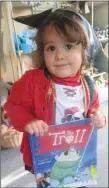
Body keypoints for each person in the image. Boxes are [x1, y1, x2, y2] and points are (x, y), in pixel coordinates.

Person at [4, 8, 106, 187]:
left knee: (76, 183)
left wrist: (98, 116)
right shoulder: (32, 81)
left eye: (68, 46)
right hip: (47, 158)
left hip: (77, 155)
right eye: (51, 48)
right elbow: (13, 105)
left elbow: (93, 108)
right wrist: (28, 121)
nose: (59, 55)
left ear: (84, 50)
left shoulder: (88, 84)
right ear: (42, 52)